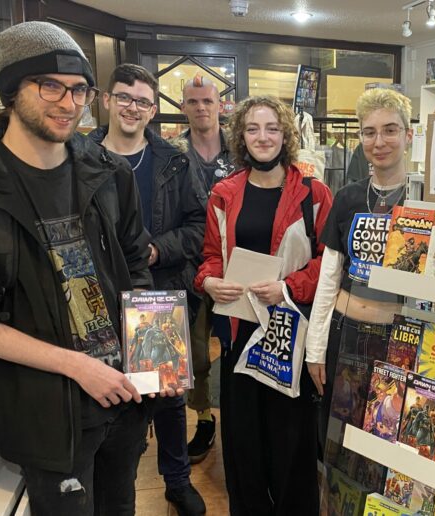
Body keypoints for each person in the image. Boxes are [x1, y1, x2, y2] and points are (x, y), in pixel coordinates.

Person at [0, 21, 162, 515]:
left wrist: (155, 351)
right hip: (49, 415)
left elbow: (134, 263)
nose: (69, 103)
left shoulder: (107, 171)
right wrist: (79, 366)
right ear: (11, 91)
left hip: (123, 401)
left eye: (79, 88)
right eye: (50, 86)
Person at [194, 95, 332, 515]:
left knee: (291, 445)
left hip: (289, 338)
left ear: (286, 134)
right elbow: (210, 255)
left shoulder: (313, 194)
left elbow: (328, 264)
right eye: (252, 128)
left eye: (272, 128)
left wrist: (288, 288)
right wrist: (209, 281)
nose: (263, 137)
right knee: (244, 446)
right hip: (239, 336)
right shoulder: (224, 193)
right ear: (241, 136)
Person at [89, 63, 206, 516]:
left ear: (153, 109)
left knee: (169, 398)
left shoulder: (174, 161)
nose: (131, 107)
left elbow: (199, 228)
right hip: (96, 299)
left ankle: (176, 481)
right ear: (106, 99)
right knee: (108, 398)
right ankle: (114, 487)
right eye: (123, 97)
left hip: (157, 294)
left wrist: (157, 250)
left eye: (141, 101)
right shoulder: (79, 155)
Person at [306, 88, 413, 451]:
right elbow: (328, 278)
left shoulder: (422, 199)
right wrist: (316, 350)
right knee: (337, 439)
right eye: (369, 132)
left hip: (400, 339)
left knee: (390, 437)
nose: (379, 141)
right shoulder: (348, 197)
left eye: (390, 130)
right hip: (344, 332)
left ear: (408, 135)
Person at [173, 74, 235, 463]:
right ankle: (203, 419)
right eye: (193, 102)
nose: (201, 108)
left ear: (220, 106)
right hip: (189, 266)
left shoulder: (241, 149)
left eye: (207, 102)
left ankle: (239, 417)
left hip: (238, 267)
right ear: (184, 108)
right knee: (195, 352)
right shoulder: (171, 152)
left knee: (237, 344)